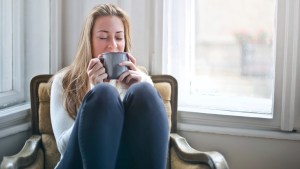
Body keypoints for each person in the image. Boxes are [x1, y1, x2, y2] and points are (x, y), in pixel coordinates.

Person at [50, 3, 169, 169]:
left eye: (119, 37)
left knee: (144, 91)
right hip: (77, 164)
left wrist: (131, 90)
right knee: (103, 93)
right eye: (103, 37)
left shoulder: (141, 81)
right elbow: (63, 147)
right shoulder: (64, 81)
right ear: (89, 41)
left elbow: (155, 143)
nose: (112, 45)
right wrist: (93, 92)